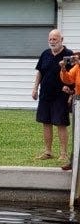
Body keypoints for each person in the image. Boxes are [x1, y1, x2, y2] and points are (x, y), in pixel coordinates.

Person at [33, 29, 73, 162]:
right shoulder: (45, 54)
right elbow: (40, 72)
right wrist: (35, 88)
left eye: (55, 39)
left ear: (62, 39)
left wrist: (71, 93)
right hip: (45, 94)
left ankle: (63, 153)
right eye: (50, 39)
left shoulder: (69, 55)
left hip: (61, 95)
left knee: (61, 123)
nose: (52, 41)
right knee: (46, 122)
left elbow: (74, 75)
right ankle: (48, 151)